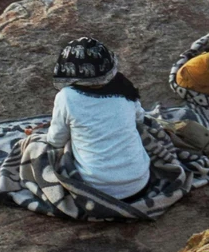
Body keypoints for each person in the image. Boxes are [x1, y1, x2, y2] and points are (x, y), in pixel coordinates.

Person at [27, 38, 151, 200]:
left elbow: (56, 140)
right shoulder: (125, 88)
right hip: (140, 184)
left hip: (97, 190)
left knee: (33, 148)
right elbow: (139, 120)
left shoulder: (66, 97)